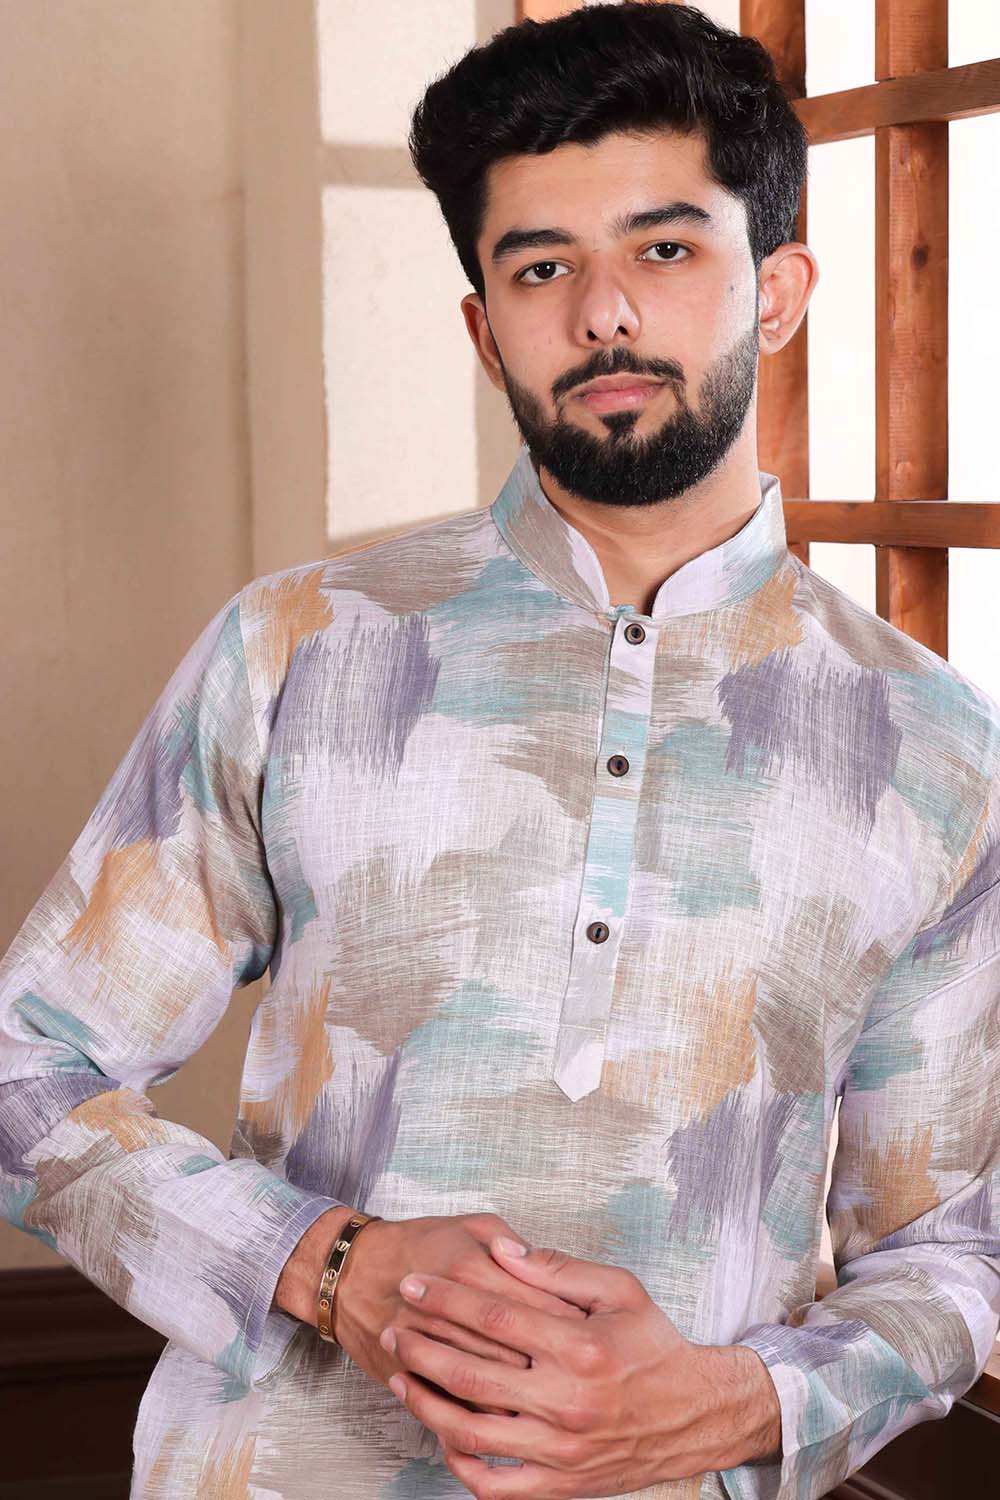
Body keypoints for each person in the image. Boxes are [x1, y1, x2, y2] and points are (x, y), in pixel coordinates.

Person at [1, 2, 998, 1497]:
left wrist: (727, 1408)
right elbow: (27, 1065)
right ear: (485, 331)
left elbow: (956, 1252)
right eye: (542, 267)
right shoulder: (300, 650)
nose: (604, 314)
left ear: (780, 291)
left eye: (666, 250)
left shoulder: (935, 750)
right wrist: (325, 1264)